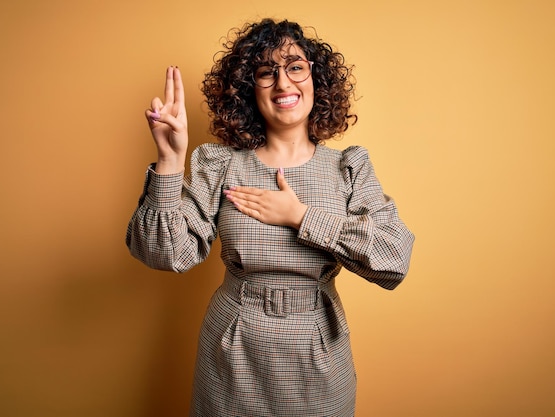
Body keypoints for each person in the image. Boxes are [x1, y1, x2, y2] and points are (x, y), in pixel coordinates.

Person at [126, 18, 414, 417]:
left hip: (318, 357)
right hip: (231, 353)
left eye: (295, 66)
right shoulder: (219, 163)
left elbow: (393, 259)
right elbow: (166, 254)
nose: (283, 83)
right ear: (248, 90)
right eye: (266, 72)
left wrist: (300, 216)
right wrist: (171, 162)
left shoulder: (349, 167)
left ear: (317, 79)